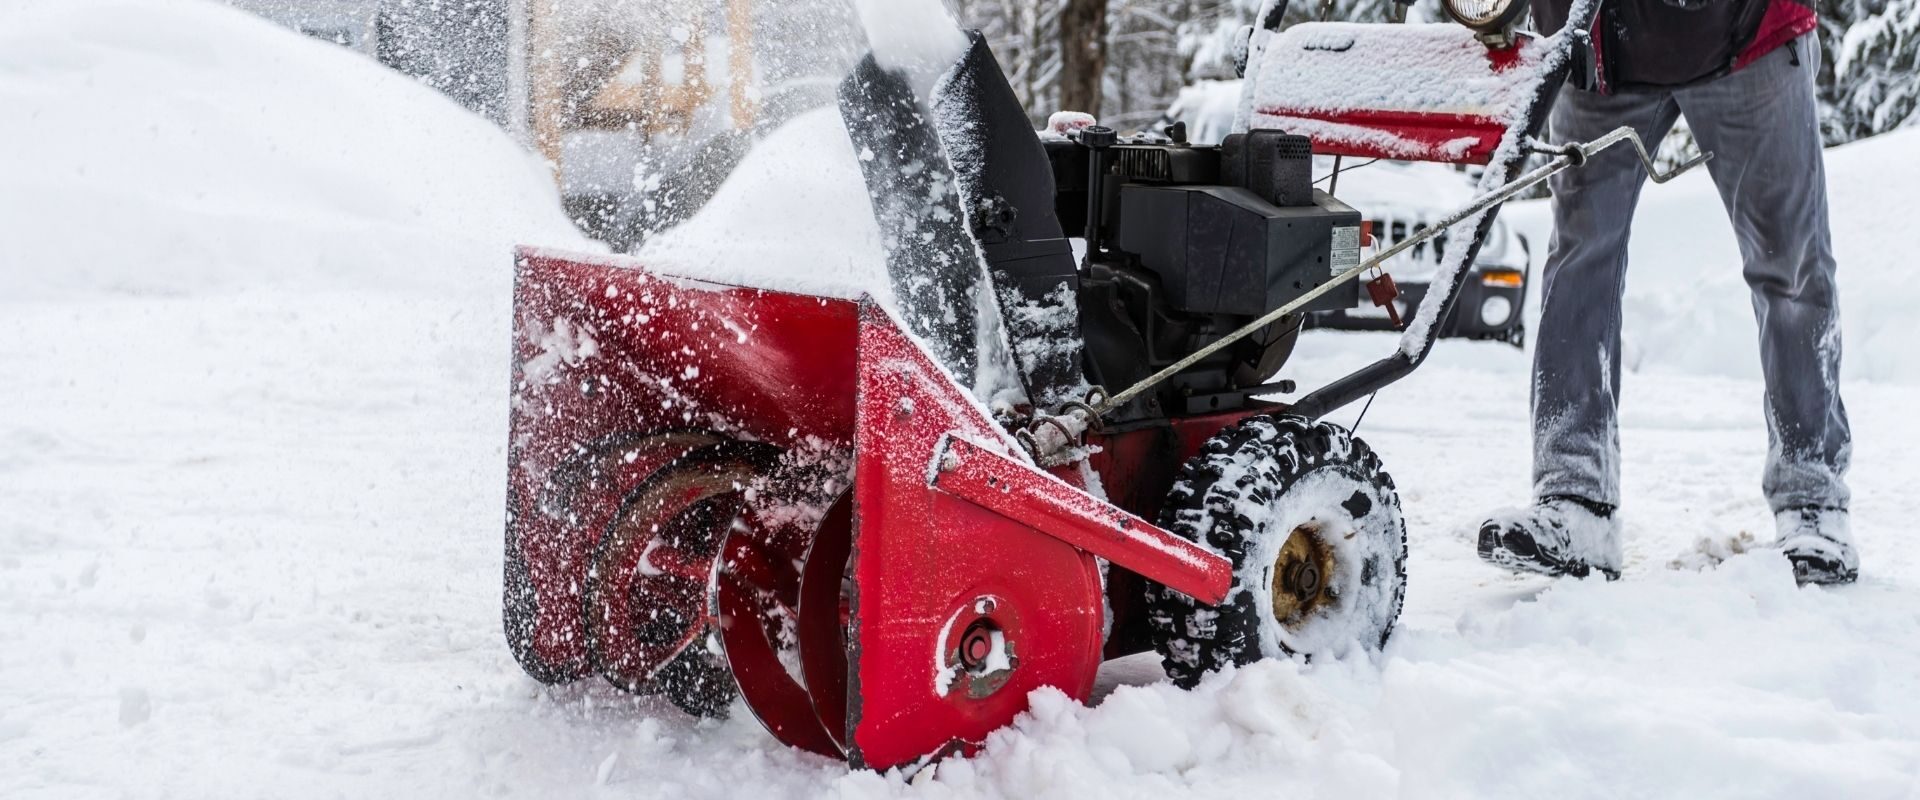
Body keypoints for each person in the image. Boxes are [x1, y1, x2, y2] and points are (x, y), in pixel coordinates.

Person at [1476, 0, 1857, 586]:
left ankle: (1814, 501)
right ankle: (1576, 500)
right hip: (1600, 42)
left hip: (1747, 36)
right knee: (1581, 261)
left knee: (1791, 265)